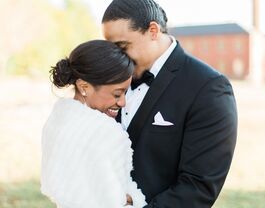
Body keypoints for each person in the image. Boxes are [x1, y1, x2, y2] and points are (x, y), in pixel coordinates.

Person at [102, 0, 238, 207]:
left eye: (122, 47)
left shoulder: (208, 88)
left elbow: (198, 187)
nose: (115, 57)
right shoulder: (112, 78)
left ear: (153, 31)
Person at [40, 40, 147, 208]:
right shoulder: (105, 132)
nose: (123, 103)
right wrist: (132, 199)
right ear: (84, 86)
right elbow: (113, 201)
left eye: (125, 93)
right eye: (117, 94)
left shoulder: (58, 121)